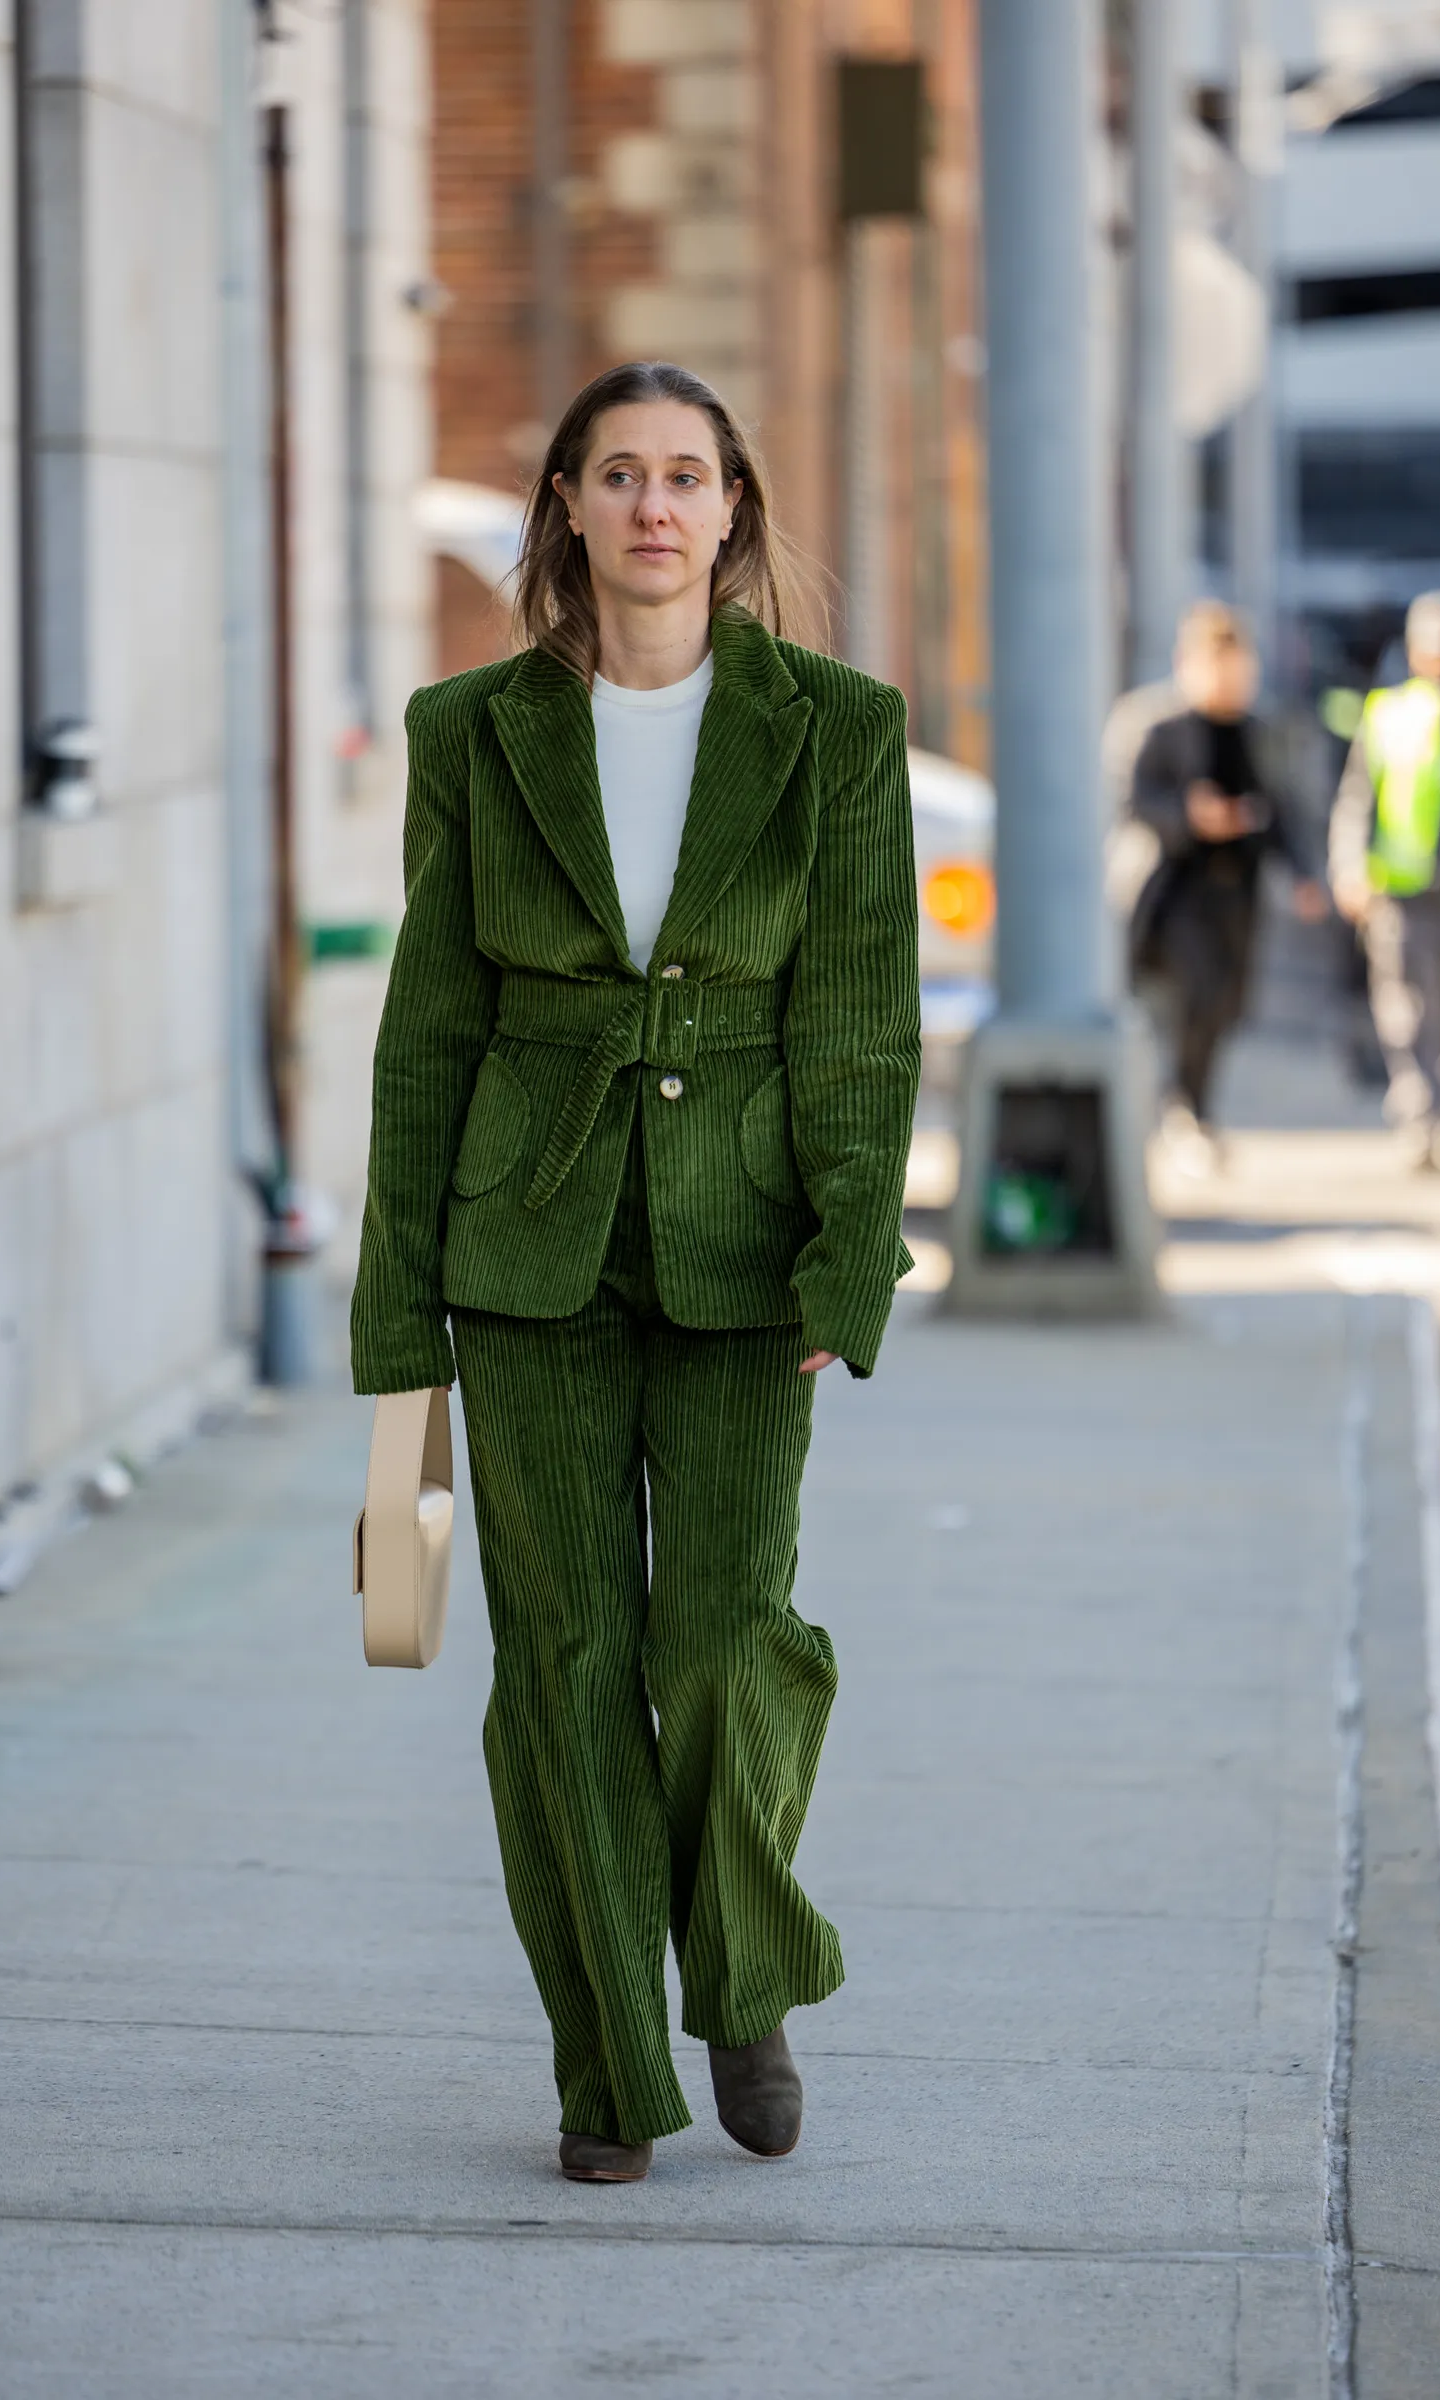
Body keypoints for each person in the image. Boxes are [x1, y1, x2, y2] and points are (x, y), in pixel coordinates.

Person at [351, 361, 921, 2183]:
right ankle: (608, 2074)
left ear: (734, 510)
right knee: (568, 1661)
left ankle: (741, 1967)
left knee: (729, 1634)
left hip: (748, 1254)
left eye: (688, 475)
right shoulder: (473, 730)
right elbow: (428, 1026)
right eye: (620, 473)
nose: (656, 505)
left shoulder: (839, 730)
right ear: (571, 512)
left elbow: (854, 1022)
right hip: (528, 1253)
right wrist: (397, 1321)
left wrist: (854, 1261)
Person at [1125, 601, 1326, 1155]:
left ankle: (1192, 1104)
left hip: (1238, 891)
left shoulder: (1258, 731)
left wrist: (1306, 875)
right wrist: (1190, 817)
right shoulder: (1159, 727)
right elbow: (1135, 802)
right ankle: (1182, 1110)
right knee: (1194, 993)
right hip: (1178, 892)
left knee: (1226, 1005)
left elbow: (1280, 807)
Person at [1329, 590, 1440, 1169]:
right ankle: (1422, 1122)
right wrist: (1349, 867)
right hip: (1411, 899)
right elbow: (1355, 801)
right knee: (1413, 1017)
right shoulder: (1390, 715)